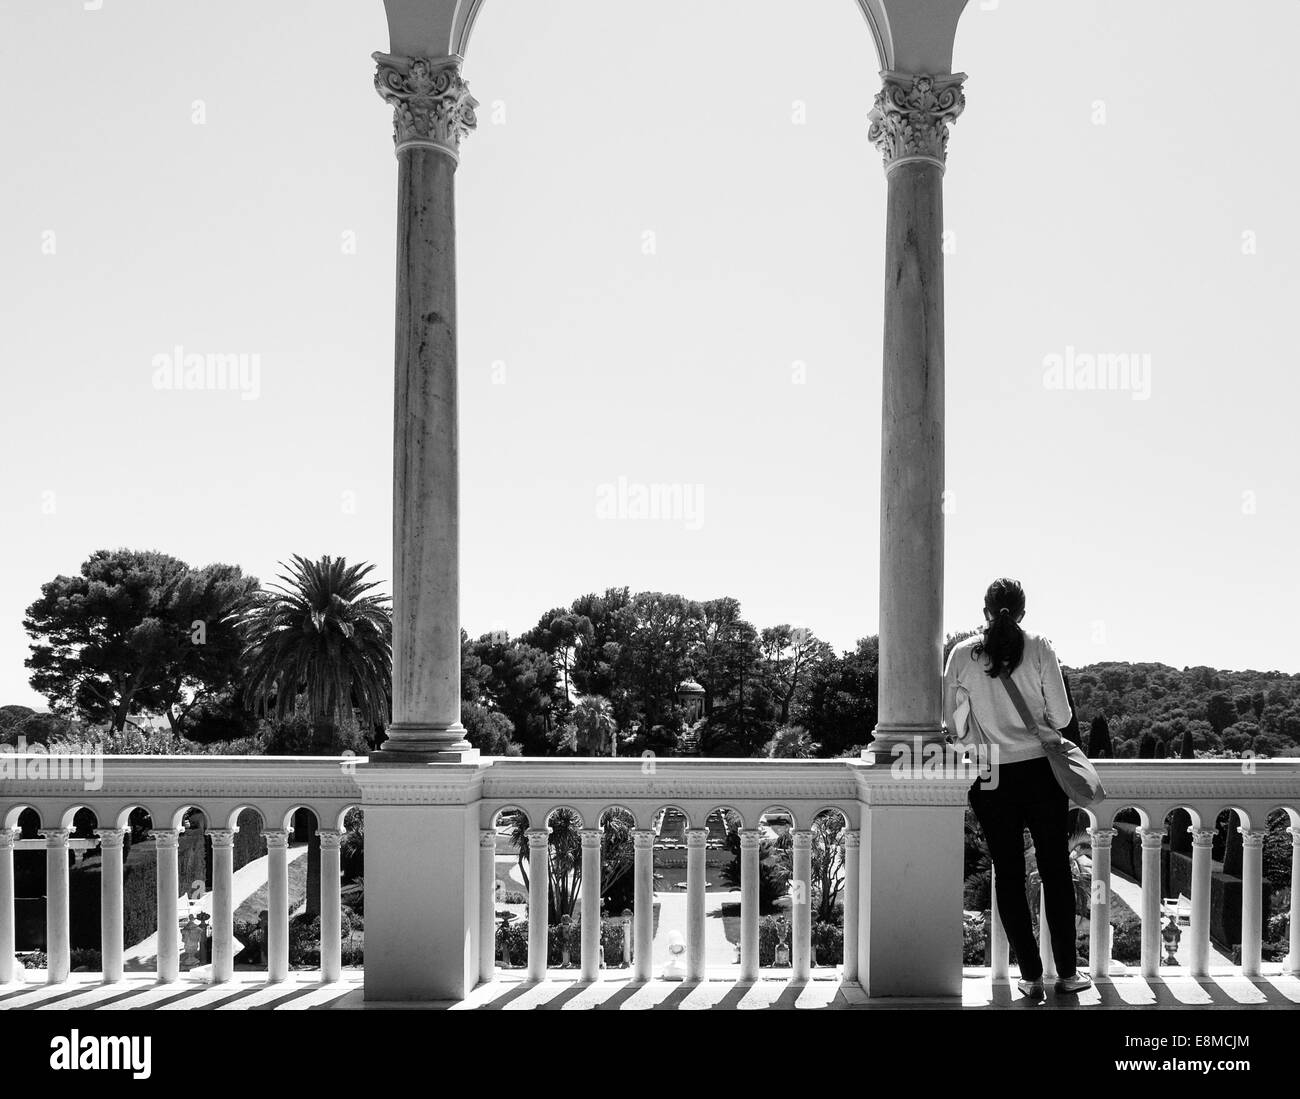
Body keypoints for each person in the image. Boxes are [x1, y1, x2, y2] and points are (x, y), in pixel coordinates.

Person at [943, 577, 1092, 999]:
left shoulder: (963, 655)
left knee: (1007, 876)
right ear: (1023, 611)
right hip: (1043, 773)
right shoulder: (1041, 647)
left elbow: (953, 725)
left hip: (993, 776)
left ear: (985, 610)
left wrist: (978, 737)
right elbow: (1061, 718)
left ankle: (1029, 976)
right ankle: (1066, 974)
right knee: (1056, 871)